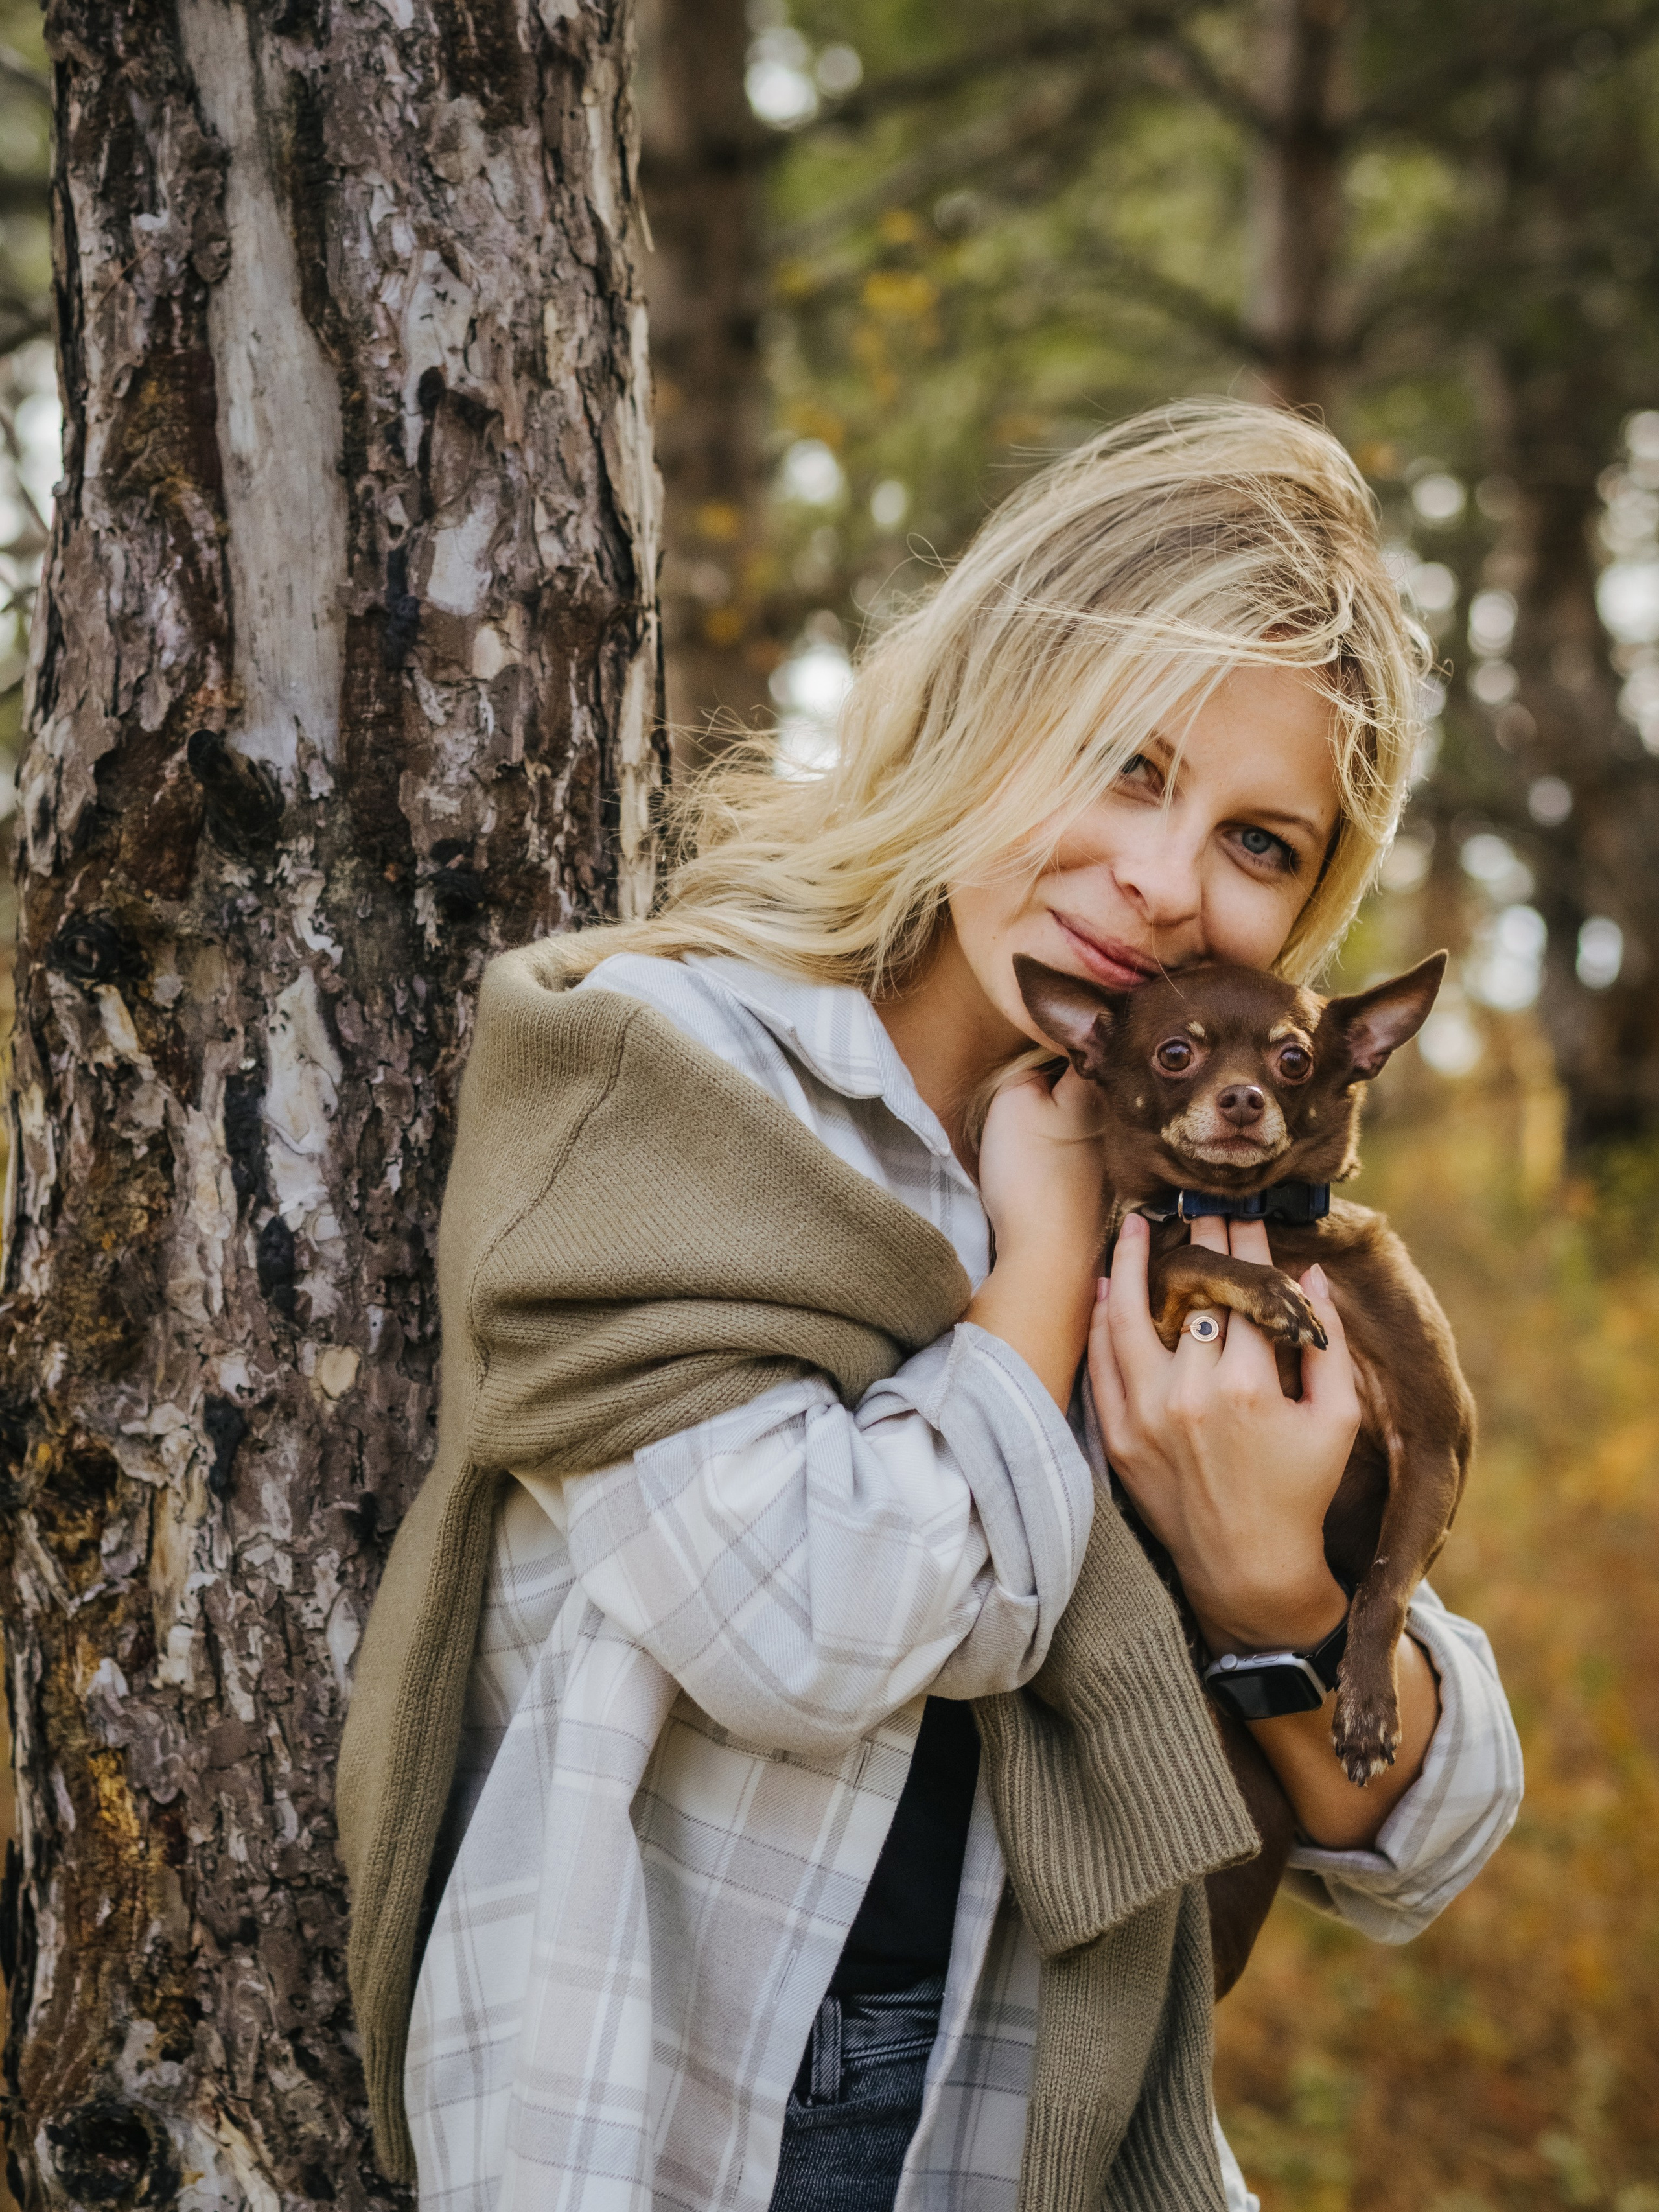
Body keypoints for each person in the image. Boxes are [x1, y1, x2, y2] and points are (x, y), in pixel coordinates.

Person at [342, 401, 1522, 2212]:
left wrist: (1269, 1584)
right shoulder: (671, 1072)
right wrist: (1039, 1269)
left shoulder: (1203, 1213)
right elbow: (803, 1629)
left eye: (1259, 843)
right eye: (1126, 763)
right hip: (672, 2127)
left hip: (1019, 2123)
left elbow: (1425, 1831)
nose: (1165, 880)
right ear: (990, 698)